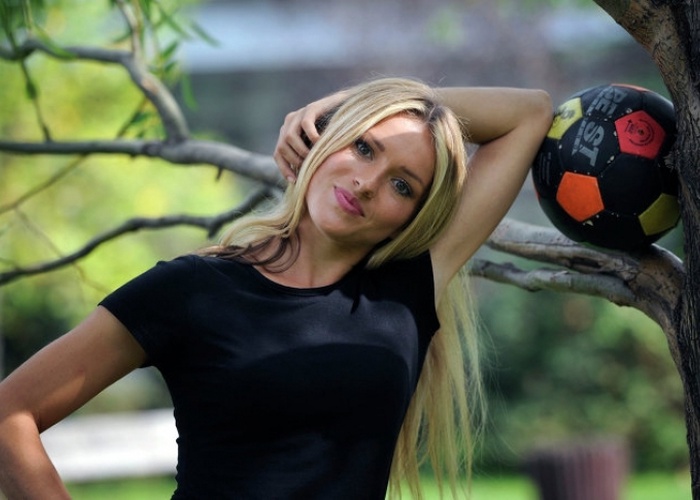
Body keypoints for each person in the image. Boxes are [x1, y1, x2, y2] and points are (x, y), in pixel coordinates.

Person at [0, 76, 552, 499]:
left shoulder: (404, 293)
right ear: (325, 141)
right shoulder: (193, 290)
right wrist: (351, 109)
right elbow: (10, 413)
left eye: (401, 186)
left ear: (411, 218)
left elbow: (529, 114)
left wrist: (346, 100)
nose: (366, 183)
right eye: (363, 147)